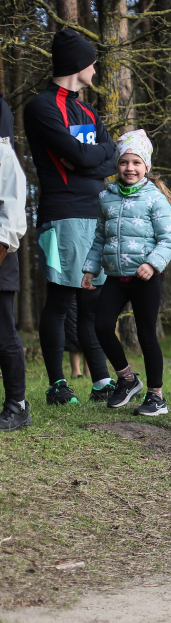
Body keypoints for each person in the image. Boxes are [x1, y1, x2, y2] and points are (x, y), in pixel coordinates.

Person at [23, 29, 116, 405]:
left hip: (96, 214)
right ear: (78, 64)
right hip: (63, 214)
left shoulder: (88, 110)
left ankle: (101, 382)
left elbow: (109, 156)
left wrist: (86, 158)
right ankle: (57, 386)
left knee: (93, 302)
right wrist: (86, 158)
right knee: (61, 300)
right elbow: (80, 157)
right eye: (92, 61)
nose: (96, 68)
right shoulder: (41, 107)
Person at [81, 129, 171, 415]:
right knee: (101, 326)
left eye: (136, 162)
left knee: (146, 334)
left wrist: (152, 264)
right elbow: (100, 237)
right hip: (114, 277)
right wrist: (90, 268)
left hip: (144, 279)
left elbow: (168, 239)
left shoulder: (153, 198)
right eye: (124, 162)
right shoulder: (106, 197)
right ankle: (127, 379)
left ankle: (156, 396)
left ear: (146, 166)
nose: (130, 168)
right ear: (116, 165)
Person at [0, 93, 30, 431]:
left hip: (1, 257)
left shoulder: (3, 156)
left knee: (2, 332)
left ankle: (17, 405)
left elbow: (11, 219)